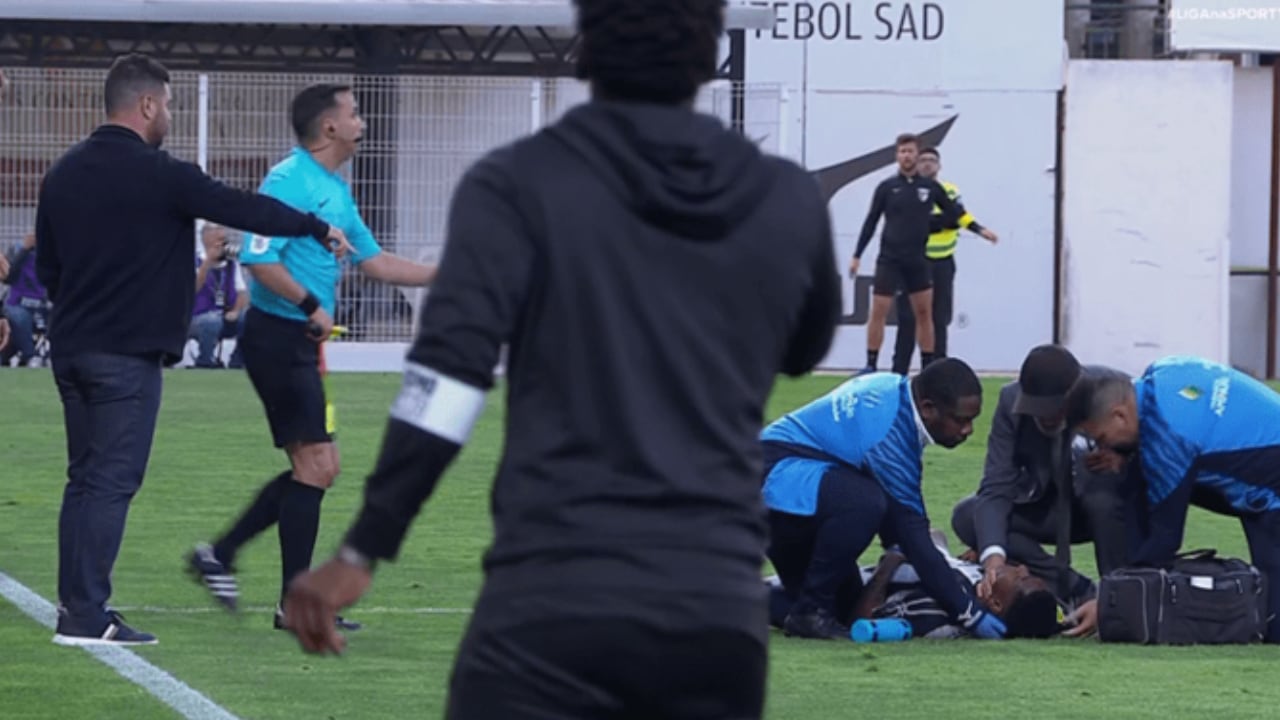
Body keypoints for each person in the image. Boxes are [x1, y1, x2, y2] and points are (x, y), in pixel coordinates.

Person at [279, 0, 842, 717]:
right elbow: (806, 346)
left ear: (585, 49)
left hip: (551, 600)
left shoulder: (517, 184)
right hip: (714, 608)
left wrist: (364, 547)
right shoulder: (784, 197)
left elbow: (447, 383)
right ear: (709, 55)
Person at [35, 52, 350, 647]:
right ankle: (85, 615)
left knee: (84, 478)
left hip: (72, 348)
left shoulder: (64, 173)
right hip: (124, 356)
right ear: (148, 104)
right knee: (111, 481)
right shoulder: (162, 173)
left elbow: (49, 267)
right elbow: (243, 207)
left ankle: (75, 604)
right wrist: (312, 226)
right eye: (170, 104)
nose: (171, 115)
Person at [186, 82, 437, 631]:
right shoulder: (289, 181)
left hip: (301, 344)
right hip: (278, 336)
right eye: (354, 112)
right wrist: (307, 304)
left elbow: (373, 262)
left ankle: (228, 560)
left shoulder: (334, 187)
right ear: (330, 127)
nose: (362, 121)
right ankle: (279, 596)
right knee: (317, 466)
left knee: (320, 469)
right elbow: (258, 258)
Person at [759, 358, 1007, 641]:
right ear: (927, 408)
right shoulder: (889, 436)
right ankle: (810, 610)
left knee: (845, 608)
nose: (968, 430)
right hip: (777, 478)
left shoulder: (895, 390)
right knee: (865, 502)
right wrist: (968, 612)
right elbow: (912, 533)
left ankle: (732, 601)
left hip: (787, 488)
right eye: (960, 420)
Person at [1065, 355, 1280, 642]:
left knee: (1274, 618)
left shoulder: (1168, 440)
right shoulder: (1161, 372)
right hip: (1264, 467)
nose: (1103, 447)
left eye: (1102, 437)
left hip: (1270, 490)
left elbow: (1164, 539)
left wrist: (1114, 599)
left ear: (1119, 415)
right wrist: (1126, 455)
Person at [950, 345, 1127, 620]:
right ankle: (1075, 588)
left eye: (1053, 409)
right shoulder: (1010, 402)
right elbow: (996, 486)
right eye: (1036, 408)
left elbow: (1153, 461)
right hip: (1049, 508)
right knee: (968, 515)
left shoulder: (1114, 392)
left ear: (1074, 394)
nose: (1044, 417)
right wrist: (993, 558)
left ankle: (1116, 595)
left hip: (1112, 509)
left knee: (1102, 499)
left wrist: (1123, 461)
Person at [767, 529, 1060, 640]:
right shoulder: (975, 579)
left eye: (1020, 577)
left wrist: (893, 560)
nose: (1020, 567)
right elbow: (935, 537)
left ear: (995, 603)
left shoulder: (938, 613)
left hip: (831, 597)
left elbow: (861, 620)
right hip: (836, 575)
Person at [849, 133, 964, 375]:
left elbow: (954, 215)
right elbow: (871, 221)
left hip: (918, 260)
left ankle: (927, 364)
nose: (906, 156)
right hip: (889, 259)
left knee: (924, 313)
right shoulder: (887, 187)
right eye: (902, 152)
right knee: (878, 310)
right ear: (897, 156)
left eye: (910, 151)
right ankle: (871, 362)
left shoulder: (930, 187)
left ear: (917, 154)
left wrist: (930, 223)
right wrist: (857, 254)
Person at [890, 146, 997, 374]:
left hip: (942, 264)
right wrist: (937, 221)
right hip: (912, 262)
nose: (927, 164)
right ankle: (898, 372)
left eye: (932, 160)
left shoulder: (949, 190)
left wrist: (936, 222)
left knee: (938, 318)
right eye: (923, 160)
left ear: (939, 166)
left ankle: (935, 371)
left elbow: (956, 217)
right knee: (908, 319)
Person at [188, 223, 248, 368]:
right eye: (216, 231)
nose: (221, 235)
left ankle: (237, 361)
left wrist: (236, 311)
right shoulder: (193, 260)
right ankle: (205, 361)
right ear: (205, 236)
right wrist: (208, 262)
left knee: (250, 319)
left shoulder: (231, 264)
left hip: (224, 316)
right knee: (211, 321)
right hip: (196, 319)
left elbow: (242, 292)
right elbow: (192, 289)